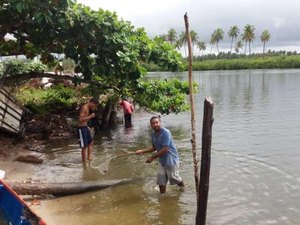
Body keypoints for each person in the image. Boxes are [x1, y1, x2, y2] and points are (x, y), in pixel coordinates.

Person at [136, 115, 184, 194]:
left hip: (171, 159)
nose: (155, 125)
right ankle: (162, 197)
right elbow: (154, 147)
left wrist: (152, 157)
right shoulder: (153, 134)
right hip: (162, 160)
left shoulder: (166, 132)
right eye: (153, 123)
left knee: (174, 178)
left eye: (156, 122)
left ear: (160, 122)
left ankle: (183, 188)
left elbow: (165, 149)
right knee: (161, 180)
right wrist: (142, 151)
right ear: (150, 125)